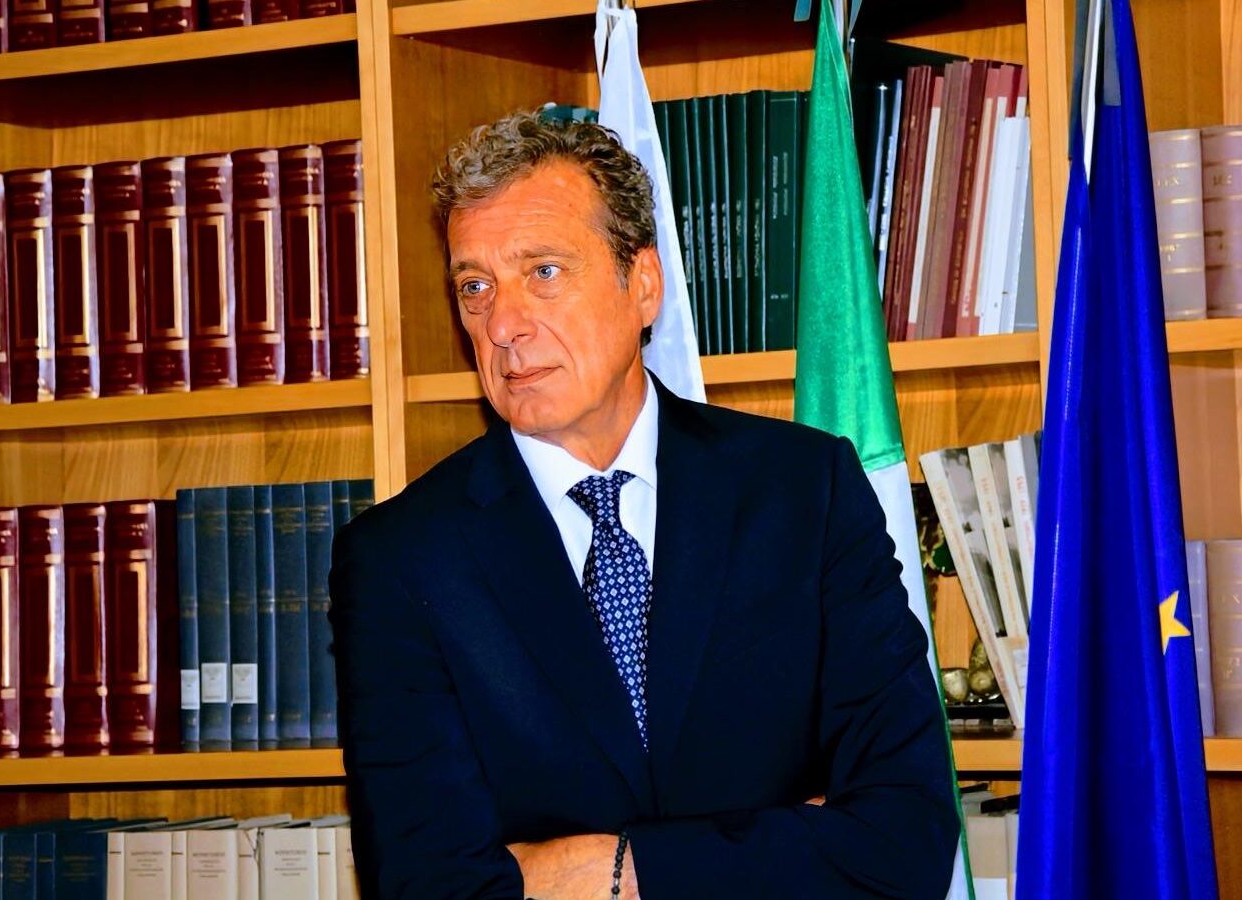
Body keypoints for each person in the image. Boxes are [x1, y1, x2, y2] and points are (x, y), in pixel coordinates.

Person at [328, 110, 958, 899]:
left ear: (645, 284)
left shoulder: (805, 493)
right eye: (475, 287)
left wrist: (616, 871)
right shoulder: (400, 559)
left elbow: (906, 839)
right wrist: (782, 846)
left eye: (544, 271)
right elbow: (429, 884)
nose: (504, 325)